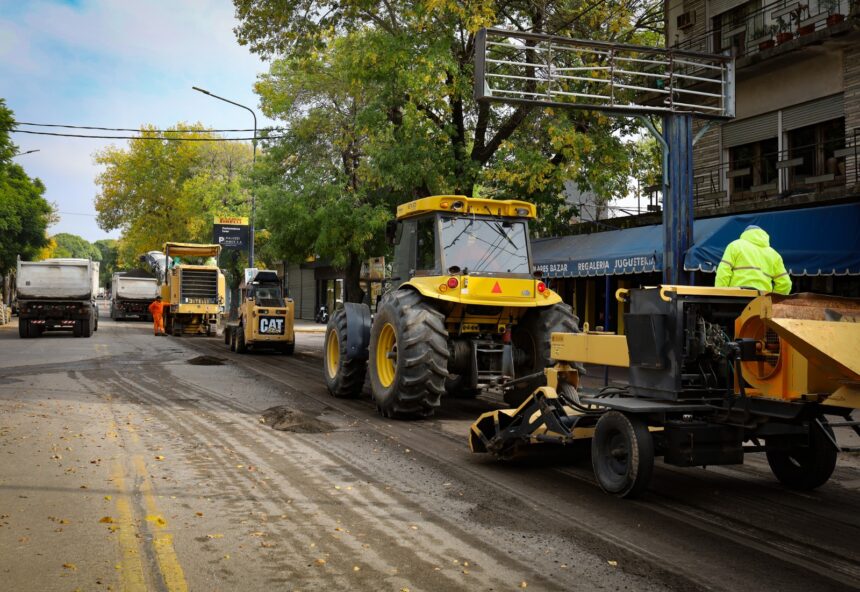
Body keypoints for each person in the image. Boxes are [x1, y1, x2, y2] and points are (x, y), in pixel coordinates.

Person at [715, 225, 791, 294]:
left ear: (745, 234)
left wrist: (720, 294)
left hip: (737, 297)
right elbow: (785, 283)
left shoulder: (735, 246)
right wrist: (773, 300)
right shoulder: (774, 254)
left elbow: (723, 272)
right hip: (762, 300)